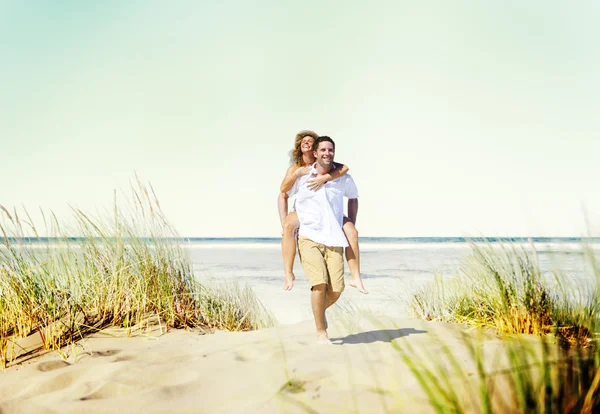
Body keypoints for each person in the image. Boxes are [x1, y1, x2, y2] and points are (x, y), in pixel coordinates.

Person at [287, 136, 359, 343]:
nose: (327, 153)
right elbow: (284, 192)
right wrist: (285, 221)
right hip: (309, 236)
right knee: (319, 284)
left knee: (336, 289)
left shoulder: (343, 177)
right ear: (315, 154)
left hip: (334, 238)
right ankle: (321, 332)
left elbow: (354, 197)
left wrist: (351, 223)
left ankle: (317, 312)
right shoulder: (302, 176)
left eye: (331, 150)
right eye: (323, 150)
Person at [277, 130, 367, 294]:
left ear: (315, 148)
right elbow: (283, 192)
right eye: (304, 141)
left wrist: (324, 178)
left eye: (311, 141)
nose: (307, 142)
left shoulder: (329, 167)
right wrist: (283, 222)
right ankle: (288, 273)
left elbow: (345, 168)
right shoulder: (297, 169)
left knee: (352, 232)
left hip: (330, 211)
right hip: (305, 210)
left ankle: (356, 276)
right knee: (289, 226)